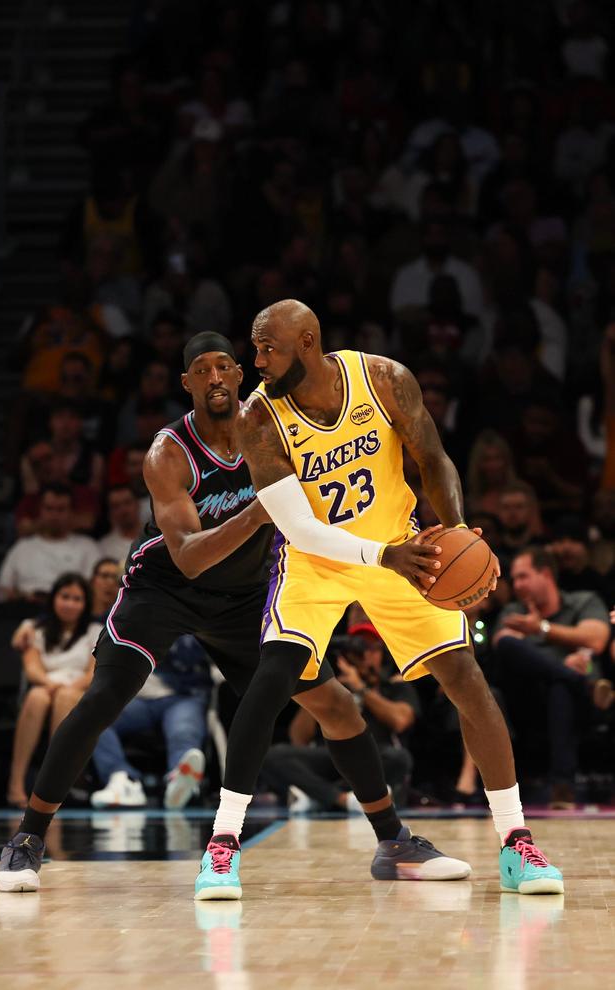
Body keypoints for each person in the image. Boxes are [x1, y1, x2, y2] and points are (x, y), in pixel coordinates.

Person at [0, 332, 459, 893]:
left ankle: (393, 841)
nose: (214, 378)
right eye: (201, 370)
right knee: (103, 698)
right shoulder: (169, 452)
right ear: (186, 383)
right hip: (164, 589)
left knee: (335, 705)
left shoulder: (272, 429)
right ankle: (28, 838)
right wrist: (259, 513)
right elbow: (189, 558)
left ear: (240, 375)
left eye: (223, 367)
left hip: (244, 596)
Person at [197, 299, 562, 900]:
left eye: (268, 349)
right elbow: (299, 530)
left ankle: (515, 841)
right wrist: (385, 556)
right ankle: (222, 845)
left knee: (468, 680)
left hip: (400, 549)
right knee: (272, 679)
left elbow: (433, 459)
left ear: (307, 343)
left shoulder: (384, 379)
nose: (256, 361)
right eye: (255, 349)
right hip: (318, 561)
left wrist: (457, 530)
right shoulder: (258, 418)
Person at [493, 547, 610, 807]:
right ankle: (579, 681)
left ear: (545, 574)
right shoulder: (514, 611)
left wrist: (541, 629)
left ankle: (562, 788)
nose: (517, 585)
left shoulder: (583, 601)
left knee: (561, 687)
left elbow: (597, 639)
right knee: (516, 650)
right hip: (527, 702)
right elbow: (503, 643)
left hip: (579, 706)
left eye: (523, 576)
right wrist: (564, 663)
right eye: (515, 579)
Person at [262, 623, 417, 810]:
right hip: (330, 755)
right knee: (273, 755)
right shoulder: (329, 686)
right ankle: (342, 799)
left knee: (399, 758)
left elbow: (401, 721)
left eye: (371, 648)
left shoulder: (394, 687)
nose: (364, 654)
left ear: (382, 653)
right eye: (359, 647)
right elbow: (298, 737)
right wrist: (316, 691)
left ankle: (319, 796)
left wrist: (361, 688)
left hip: (372, 756)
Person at [7, 574, 101, 808]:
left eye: (77, 599)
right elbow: (32, 669)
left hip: (77, 689)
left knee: (65, 697)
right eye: (65, 597)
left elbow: (92, 674)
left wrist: (65, 688)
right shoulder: (35, 630)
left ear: (85, 603)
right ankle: (15, 783)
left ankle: (52, 787)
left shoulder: (95, 631)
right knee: (36, 697)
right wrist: (51, 685)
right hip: (46, 686)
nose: (70, 604)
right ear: (54, 599)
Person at [90, 634, 212, 810]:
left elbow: (196, 653)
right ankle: (122, 779)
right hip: (135, 697)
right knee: (97, 716)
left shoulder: (194, 624)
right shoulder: (124, 619)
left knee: (183, 729)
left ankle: (179, 781)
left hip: (183, 695)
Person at [0, 484, 99, 608]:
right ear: (40, 510)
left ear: (71, 512)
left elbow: (97, 591)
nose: (54, 515)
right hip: (26, 608)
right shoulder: (22, 547)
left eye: (61, 509)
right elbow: (0, 593)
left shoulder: (88, 547)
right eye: (49, 508)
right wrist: (21, 596)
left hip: (72, 609)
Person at [97, 485, 143, 565]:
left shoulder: (156, 535)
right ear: (109, 512)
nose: (123, 510)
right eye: (116, 506)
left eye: (127, 502)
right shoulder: (104, 547)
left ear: (138, 504)